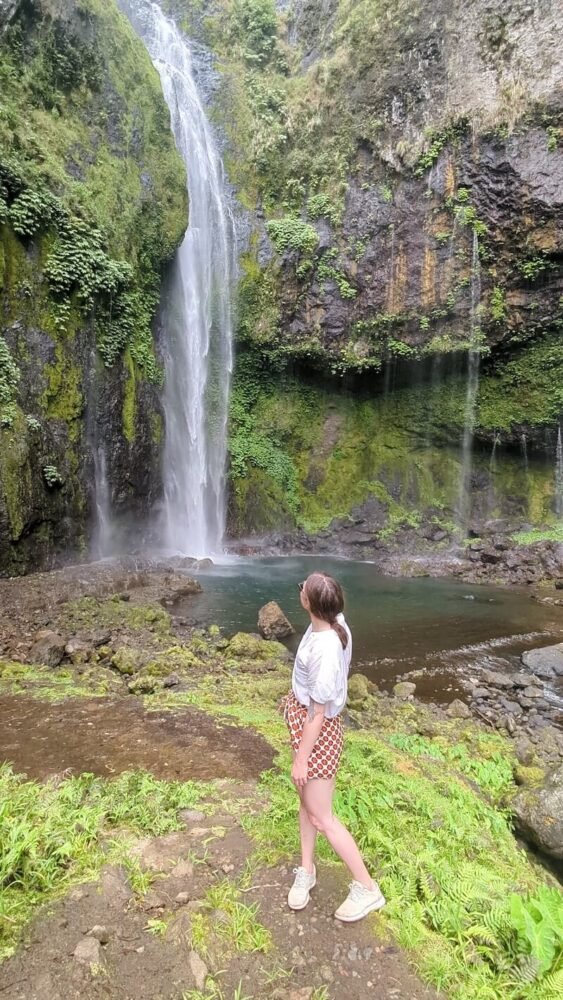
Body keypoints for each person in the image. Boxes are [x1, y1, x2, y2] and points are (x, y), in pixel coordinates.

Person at [282, 571, 386, 922]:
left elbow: (318, 714)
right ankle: (307, 869)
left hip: (318, 733)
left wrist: (301, 759)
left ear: (308, 602)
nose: (301, 591)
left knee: (322, 816)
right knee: (307, 803)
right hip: (308, 723)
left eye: (303, 589)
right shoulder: (332, 622)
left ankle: (367, 888)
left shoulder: (327, 648)